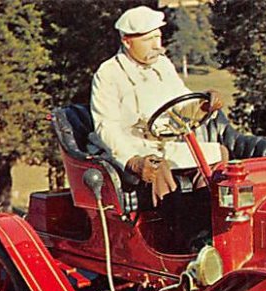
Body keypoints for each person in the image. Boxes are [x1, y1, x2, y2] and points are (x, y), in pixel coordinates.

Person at [90, 6, 224, 205]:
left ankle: (206, 221)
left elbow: (183, 102)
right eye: (148, 40)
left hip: (165, 144)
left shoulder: (162, 65)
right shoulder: (108, 73)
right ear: (127, 41)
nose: (157, 46)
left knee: (218, 155)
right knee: (156, 168)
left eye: (158, 37)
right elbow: (107, 128)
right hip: (131, 148)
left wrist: (205, 104)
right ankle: (174, 230)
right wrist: (132, 160)